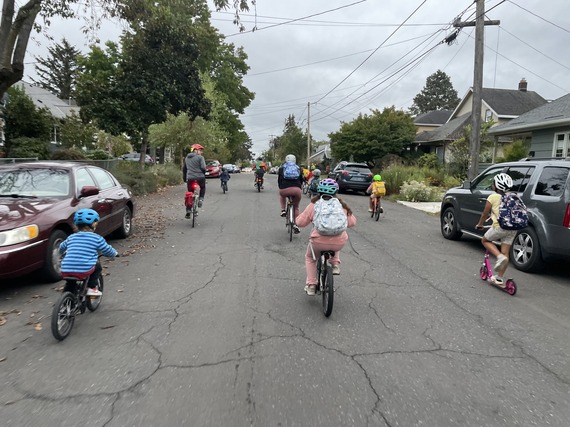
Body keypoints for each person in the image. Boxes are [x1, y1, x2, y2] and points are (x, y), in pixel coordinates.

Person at [296, 178, 357, 296]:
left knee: (310, 258)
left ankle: (312, 285)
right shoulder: (341, 205)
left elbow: (301, 223)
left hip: (318, 241)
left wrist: (297, 220)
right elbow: (352, 223)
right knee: (336, 238)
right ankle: (335, 264)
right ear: (335, 192)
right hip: (339, 242)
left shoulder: (314, 204)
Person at [59, 209, 118, 297]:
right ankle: (91, 288)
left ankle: (65, 301)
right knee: (97, 267)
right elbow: (107, 249)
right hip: (84, 270)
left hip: (66, 269)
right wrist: (114, 254)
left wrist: (63, 252)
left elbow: (61, 247)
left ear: (76, 225)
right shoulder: (97, 238)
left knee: (70, 283)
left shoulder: (71, 237)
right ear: (94, 224)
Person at [475, 173, 517, 287]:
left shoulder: (492, 197)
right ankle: (499, 278)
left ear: (497, 186)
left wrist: (480, 224)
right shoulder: (514, 196)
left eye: (493, 183)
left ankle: (499, 257)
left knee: (485, 240)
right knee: (505, 252)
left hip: (499, 227)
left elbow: (485, 213)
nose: (492, 185)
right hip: (513, 228)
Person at [278, 154, 303, 233]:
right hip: (297, 190)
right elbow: (301, 180)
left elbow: (279, 180)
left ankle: (283, 210)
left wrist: (281, 187)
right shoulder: (298, 168)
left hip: (284, 189)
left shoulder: (282, 168)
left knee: (282, 195)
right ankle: (296, 224)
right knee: (296, 207)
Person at [183, 144, 206, 217]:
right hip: (200, 177)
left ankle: (188, 210)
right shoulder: (200, 158)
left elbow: (184, 169)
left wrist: (184, 178)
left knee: (190, 193)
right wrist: (204, 174)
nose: (201, 152)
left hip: (190, 178)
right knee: (202, 187)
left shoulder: (187, 158)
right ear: (195, 150)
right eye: (200, 150)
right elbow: (203, 167)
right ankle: (201, 199)